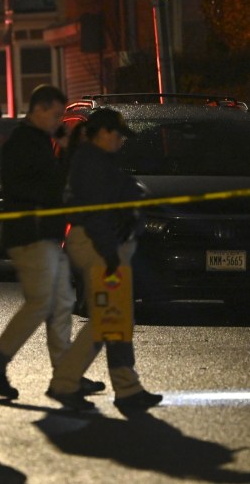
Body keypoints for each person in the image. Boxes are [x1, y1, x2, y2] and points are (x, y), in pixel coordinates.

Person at [0, 85, 104, 399]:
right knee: (43, 303)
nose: (57, 121)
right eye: (54, 115)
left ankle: (66, 376)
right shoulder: (25, 144)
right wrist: (66, 152)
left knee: (61, 303)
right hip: (32, 235)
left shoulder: (35, 141)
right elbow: (50, 187)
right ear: (38, 110)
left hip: (43, 234)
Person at [46, 108, 163, 414]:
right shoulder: (93, 163)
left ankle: (127, 387)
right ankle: (68, 382)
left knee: (116, 317)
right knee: (107, 319)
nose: (122, 141)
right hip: (98, 245)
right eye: (119, 135)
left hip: (99, 242)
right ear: (105, 133)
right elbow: (98, 213)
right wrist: (110, 254)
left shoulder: (94, 160)